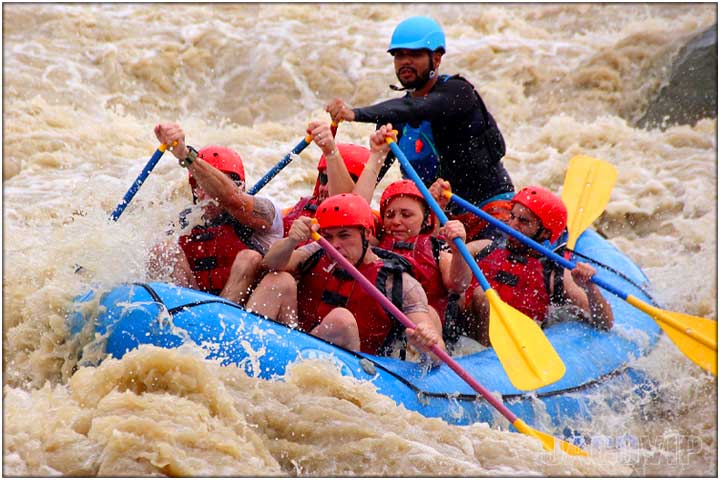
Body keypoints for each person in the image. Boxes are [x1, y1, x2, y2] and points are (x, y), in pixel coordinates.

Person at [325, 15, 514, 240]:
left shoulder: (459, 93)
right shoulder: (395, 116)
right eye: (399, 55)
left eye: (415, 55)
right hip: (435, 218)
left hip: (487, 212)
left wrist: (355, 114)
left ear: (436, 58)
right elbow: (365, 188)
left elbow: (421, 107)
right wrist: (331, 153)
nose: (405, 62)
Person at [246, 193, 445, 359]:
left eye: (344, 235)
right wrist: (291, 241)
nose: (335, 245)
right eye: (329, 236)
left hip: (359, 368)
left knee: (341, 320)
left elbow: (437, 353)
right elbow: (270, 263)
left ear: (367, 234)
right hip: (294, 342)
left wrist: (427, 341)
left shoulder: (399, 282)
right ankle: (246, 347)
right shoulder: (316, 251)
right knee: (278, 279)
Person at [348, 123, 472, 344]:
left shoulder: (436, 249)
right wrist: (377, 156)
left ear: (424, 219)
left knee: (431, 314)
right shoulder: (374, 239)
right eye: (390, 214)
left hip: (422, 333)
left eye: (406, 215)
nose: (396, 221)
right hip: (380, 329)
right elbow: (354, 209)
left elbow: (458, 284)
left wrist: (458, 249)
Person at [454, 185, 614, 346]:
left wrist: (590, 288)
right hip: (465, 336)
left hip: (511, 345)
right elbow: (445, 261)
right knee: (468, 294)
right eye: (512, 216)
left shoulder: (553, 274)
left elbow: (604, 322)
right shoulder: (484, 247)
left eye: (523, 221)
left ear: (544, 232)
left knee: (484, 295)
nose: (512, 225)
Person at [147, 123, 284, 305]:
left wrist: (185, 155)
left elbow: (230, 198)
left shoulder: (265, 211)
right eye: (202, 186)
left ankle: (218, 316)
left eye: (216, 186)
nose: (209, 193)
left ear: (240, 186)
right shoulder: (185, 221)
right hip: (192, 309)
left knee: (249, 258)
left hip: (243, 315)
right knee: (163, 251)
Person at [282, 123, 371, 236]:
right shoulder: (305, 205)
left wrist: (331, 152)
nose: (327, 188)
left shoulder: (368, 227)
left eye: (336, 180)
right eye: (324, 179)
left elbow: (347, 206)